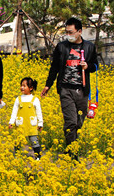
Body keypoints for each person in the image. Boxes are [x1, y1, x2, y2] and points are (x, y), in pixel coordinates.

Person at [41, 17, 98, 158]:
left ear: (79, 31)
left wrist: (88, 66)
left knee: (79, 122)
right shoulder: (61, 47)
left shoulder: (89, 47)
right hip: (65, 88)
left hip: (83, 90)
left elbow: (95, 66)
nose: (68, 35)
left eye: (71, 32)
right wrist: (48, 85)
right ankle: (72, 153)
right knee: (71, 121)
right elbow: (54, 67)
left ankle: (72, 146)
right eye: (66, 32)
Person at [8, 77, 43, 160]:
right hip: (20, 124)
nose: (22, 87)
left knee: (34, 141)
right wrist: (11, 122)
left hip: (31, 124)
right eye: (21, 85)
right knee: (18, 141)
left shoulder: (35, 99)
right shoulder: (18, 99)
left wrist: (40, 123)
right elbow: (14, 111)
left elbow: (39, 112)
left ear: (31, 88)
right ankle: (17, 156)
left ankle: (38, 156)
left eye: (24, 86)